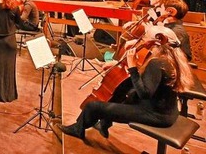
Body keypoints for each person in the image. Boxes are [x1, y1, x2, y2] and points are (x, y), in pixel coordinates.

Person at [59, 26, 193, 140]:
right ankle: (104, 123)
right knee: (123, 91)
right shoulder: (173, 58)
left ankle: (78, 129)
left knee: (93, 106)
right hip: (168, 111)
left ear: (156, 42)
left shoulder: (157, 63)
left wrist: (132, 66)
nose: (142, 40)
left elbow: (144, 94)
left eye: (145, 37)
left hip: (155, 114)